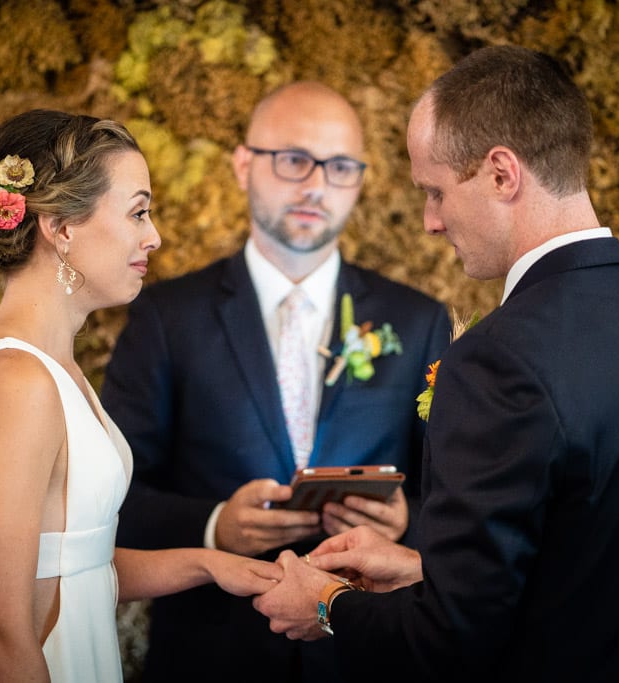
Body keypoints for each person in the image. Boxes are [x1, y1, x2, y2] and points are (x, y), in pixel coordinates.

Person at [253, 45, 619, 682]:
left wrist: (325, 602)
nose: (429, 222)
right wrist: (428, 569)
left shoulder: (496, 360)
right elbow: (585, 568)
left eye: (435, 192)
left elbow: (450, 639)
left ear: (503, 174)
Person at [0, 109, 281, 682]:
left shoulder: (54, 371)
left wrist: (208, 564)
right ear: (60, 226)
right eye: (138, 211)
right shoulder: (13, 381)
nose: (154, 236)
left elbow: (69, 565)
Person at [100, 81, 451, 682]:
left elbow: (455, 495)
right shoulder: (166, 317)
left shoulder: (417, 321)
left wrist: (404, 525)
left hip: (366, 656)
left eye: (340, 167)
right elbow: (112, 500)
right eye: (293, 160)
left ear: (361, 179)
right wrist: (215, 525)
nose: (316, 186)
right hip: (212, 657)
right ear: (243, 165)